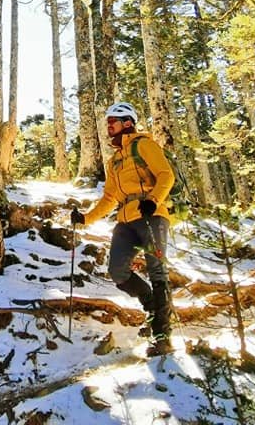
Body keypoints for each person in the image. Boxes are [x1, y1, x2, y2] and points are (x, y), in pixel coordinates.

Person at [71, 102, 175, 355]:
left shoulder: (144, 145)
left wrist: (153, 200)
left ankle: (162, 336)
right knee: (118, 271)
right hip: (125, 220)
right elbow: (109, 198)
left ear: (127, 123)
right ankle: (151, 305)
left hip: (152, 215)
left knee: (157, 271)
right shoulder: (115, 161)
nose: (109, 127)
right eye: (108, 123)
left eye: (112, 122)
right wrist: (85, 219)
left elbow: (166, 175)